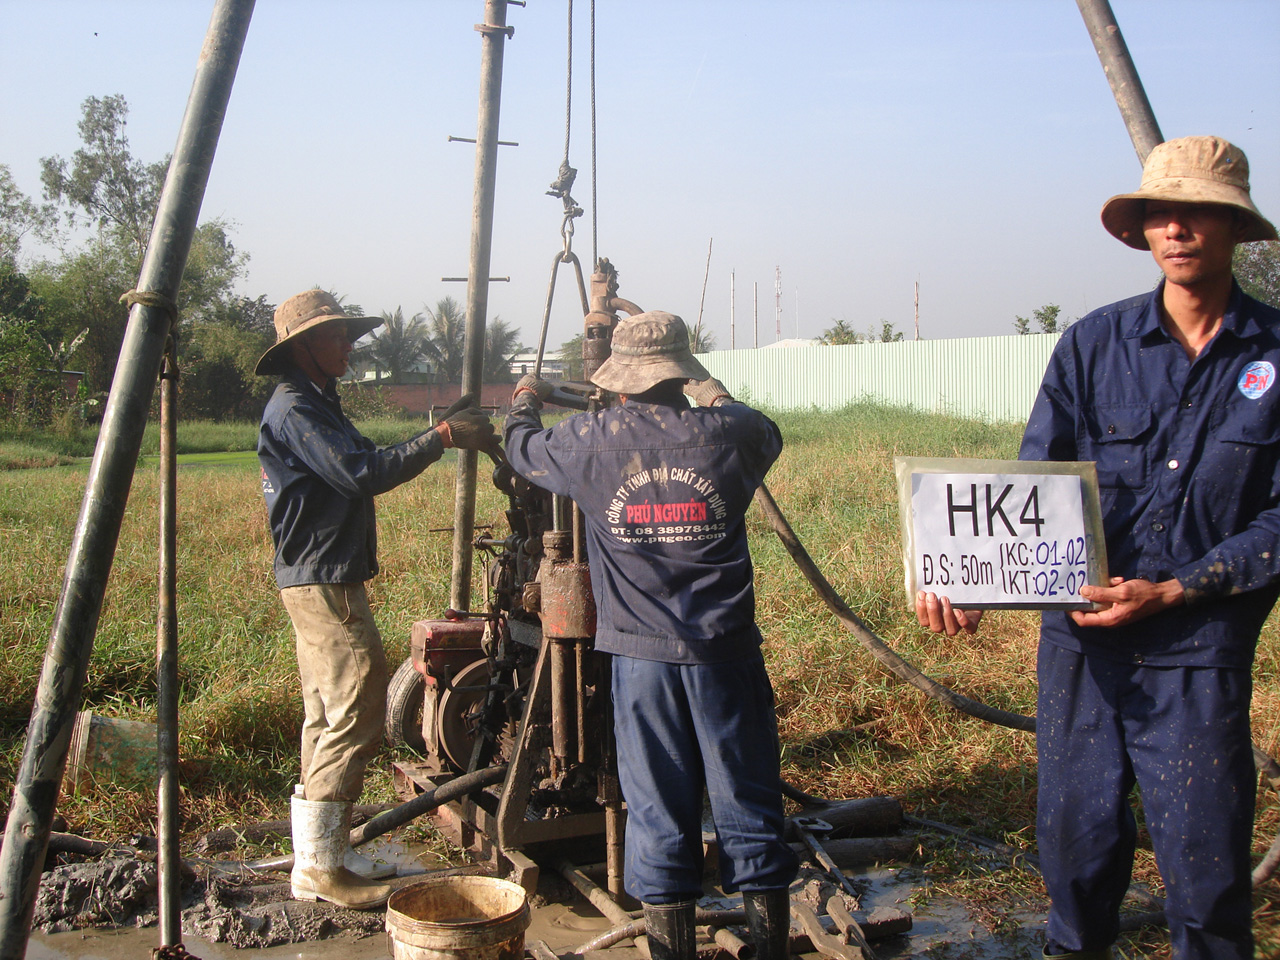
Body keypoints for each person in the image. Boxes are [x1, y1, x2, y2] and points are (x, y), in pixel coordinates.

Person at [917, 136, 1280, 959]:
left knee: (1209, 876)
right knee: (1077, 858)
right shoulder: (1092, 345)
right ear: (1144, 230)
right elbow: (1031, 493)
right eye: (1162, 212)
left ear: (1233, 228)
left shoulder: (1275, 357)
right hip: (1080, 652)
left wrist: (1178, 590)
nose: (1177, 228)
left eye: (1198, 213)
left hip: (1199, 654)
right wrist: (969, 578)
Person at [503, 312, 799, 960]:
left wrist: (524, 398)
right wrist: (710, 390)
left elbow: (521, 449)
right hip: (726, 656)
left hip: (642, 664)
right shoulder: (729, 434)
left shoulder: (588, 439)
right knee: (749, 801)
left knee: (659, 812)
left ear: (620, 379)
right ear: (680, 374)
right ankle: (770, 946)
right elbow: (764, 430)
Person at [256, 288, 497, 910]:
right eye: (336, 336)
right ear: (304, 347)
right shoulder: (296, 410)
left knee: (323, 710)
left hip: (322, 574)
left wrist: (435, 429)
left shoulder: (316, 402)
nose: (348, 344)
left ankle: (321, 854)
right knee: (359, 701)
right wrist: (441, 436)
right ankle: (318, 868)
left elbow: (362, 459)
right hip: (323, 579)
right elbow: (362, 473)